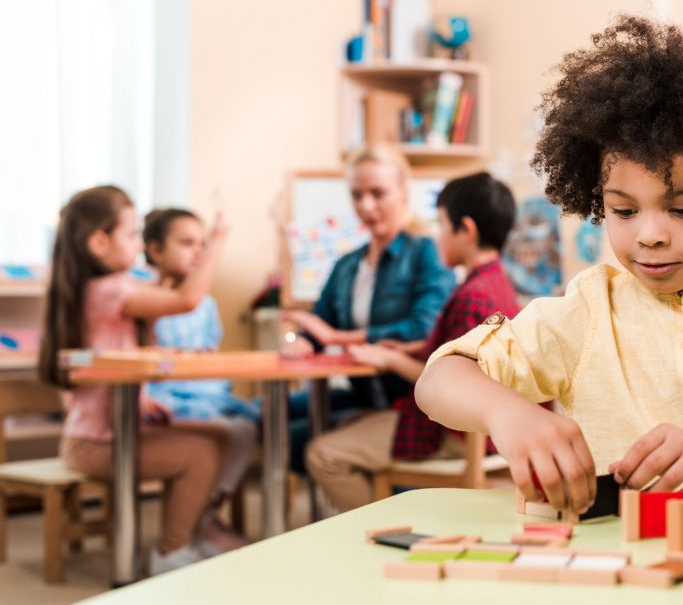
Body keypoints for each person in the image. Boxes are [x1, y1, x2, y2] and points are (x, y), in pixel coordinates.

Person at [415, 16, 683, 515]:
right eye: (623, 211)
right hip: (617, 563)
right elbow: (438, 380)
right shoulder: (586, 309)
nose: (649, 233)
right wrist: (509, 414)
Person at [38, 186, 234, 574]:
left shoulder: (99, 290)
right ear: (99, 241)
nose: (139, 242)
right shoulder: (110, 289)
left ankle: (190, 536)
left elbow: (115, 362)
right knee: (202, 452)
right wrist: (218, 242)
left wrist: (142, 401)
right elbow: (186, 300)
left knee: (220, 437)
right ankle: (172, 552)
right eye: (131, 234)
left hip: (105, 434)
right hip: (97, 445)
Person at [305, 172, 521, 512]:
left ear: (467, 230)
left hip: (454, 433)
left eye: (442, 225)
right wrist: (402, 349)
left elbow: (456, 382)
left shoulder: (472, 296)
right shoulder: (495, 283)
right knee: (348, 423)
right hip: (472, 428)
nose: (437, 237)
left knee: (323, 453)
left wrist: (390, 360)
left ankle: (381, 534)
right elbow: (457, 351)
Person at [282, 144, 455, 473]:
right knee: (267, 416)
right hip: (364, 393)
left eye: (378, 193)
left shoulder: (426, 252)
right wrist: (303, 341)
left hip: (407, 400)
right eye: (357, 195)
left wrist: (340, 336)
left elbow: (424, 328)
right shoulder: (348, 264)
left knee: (296, 439)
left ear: (403, 192)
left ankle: (361, 505)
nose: (366, 206)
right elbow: (319, 322)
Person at [143, 207, 258, 551]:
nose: (198, 251)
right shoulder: (146, 300)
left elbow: (212, 352)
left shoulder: (205, 304)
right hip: (169, 401)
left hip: (207, 395)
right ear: (155, 250)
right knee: (226, 433)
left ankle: (205, 515)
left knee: (247, 428)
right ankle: (196, 525)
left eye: (203, 244)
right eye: (187, 243)